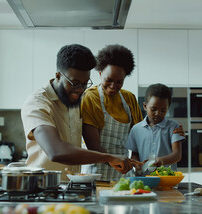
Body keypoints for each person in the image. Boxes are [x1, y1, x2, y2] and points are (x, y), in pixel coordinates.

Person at [21, 44, 142, 180]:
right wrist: (109, 157)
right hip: (41, 187)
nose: (80, 89)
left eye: (85, 84)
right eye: (74, 83)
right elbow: (56, 151)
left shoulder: (76, 101)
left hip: (71, 186)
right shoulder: (38, 103)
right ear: (58, 76)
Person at [80, 44, 144, 181]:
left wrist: (135, 159)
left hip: (124, 175)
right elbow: (93, 146)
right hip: (95, 174)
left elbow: (137, 137)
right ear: (100, 73)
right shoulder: (90, 97)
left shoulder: (129, 99)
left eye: (119, 82)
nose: (113, 86)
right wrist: (116, 160)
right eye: (109, 80)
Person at [125, 83, 185, 174]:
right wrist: (137, 166)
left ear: (168, 108)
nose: (158, 113)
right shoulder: (136, 129)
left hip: (167, 178)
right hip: (144, 178)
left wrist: (160, 161)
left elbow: (177, 155)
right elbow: (134, 154)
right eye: (153, 109)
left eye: (163, 110)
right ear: (145, 106)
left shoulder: (174, 127)